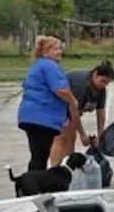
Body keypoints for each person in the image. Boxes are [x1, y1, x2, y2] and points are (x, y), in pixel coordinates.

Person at [17, 36, 85, 172]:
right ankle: (34, 186)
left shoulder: (37, 65)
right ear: (45, 52)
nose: (59, 52)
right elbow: (60, 90)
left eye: (60, 48)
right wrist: (72, 100)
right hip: (42, 117)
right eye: (55, 49)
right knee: (40, 156)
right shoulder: (49, 66)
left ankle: (34, 184)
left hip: (30, 115)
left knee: (38, 154)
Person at [49, 60, 114, 167]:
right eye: (103, 81)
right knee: (61, 138)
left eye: (107, 83)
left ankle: (69, 168)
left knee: (71, 137)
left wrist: (100, 136)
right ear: (95, 74)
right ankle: (54, 169)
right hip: (56, 106)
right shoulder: (82, 85)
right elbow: (74, 113)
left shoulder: (101, 89)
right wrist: (83, 135)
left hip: (70, 110)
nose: (104, 85)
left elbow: (101, 113)